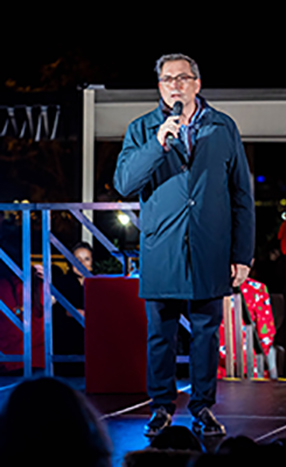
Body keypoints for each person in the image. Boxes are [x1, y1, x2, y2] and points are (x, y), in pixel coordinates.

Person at [114, 53, 254, 438]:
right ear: (159, 86)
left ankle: (203, 407)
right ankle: (160, 407)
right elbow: (125, 182)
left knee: (207, 333)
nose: (175, 84)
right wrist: (157, 144)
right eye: (167, 79)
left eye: (183, 77)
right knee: (160, 333)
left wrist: (242, 254)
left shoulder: (223, 126)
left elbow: (241, 193)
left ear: (198, 83)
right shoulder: (142, 129)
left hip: (210, 249)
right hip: (162, 248)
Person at [52, 241, 93, 376]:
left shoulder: (96, 285)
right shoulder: (62, 282)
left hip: (89, 341)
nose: (82, 263)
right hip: (68, 342)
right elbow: (63, 311)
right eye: (77, 259)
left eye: (86, 259)